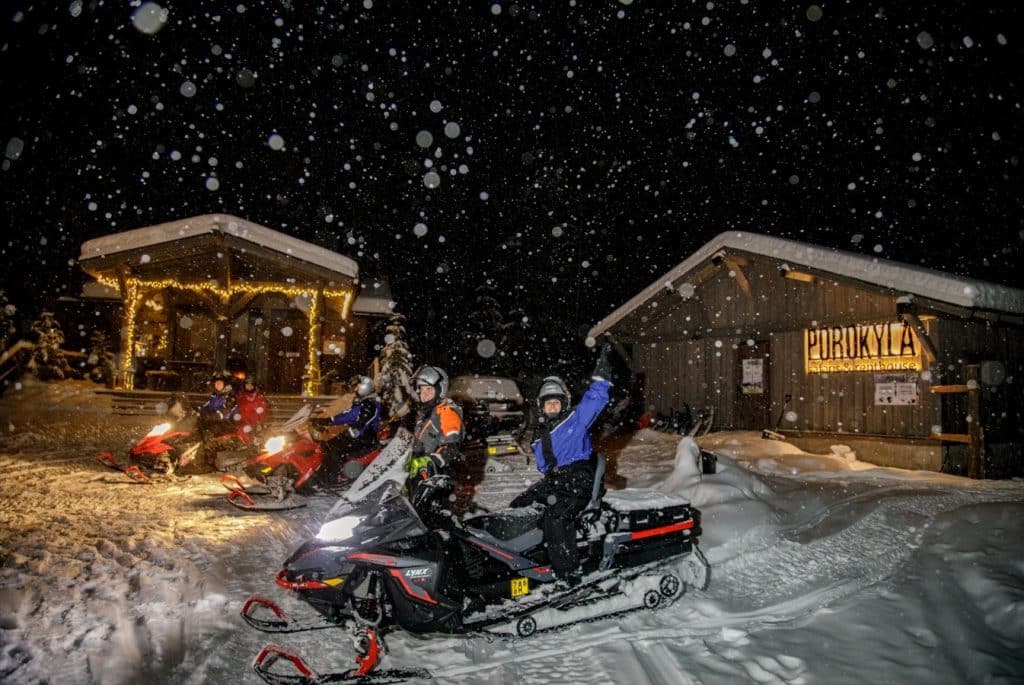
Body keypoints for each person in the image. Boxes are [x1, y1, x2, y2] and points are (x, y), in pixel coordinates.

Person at [510, 343, 613, 587]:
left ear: (564, 403)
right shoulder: (541, 433)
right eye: (548, 404)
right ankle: (533, 556)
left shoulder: (574, 421)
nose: (553, 407)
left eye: (556, 403)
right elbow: (545, 467)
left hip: (578, 479)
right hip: (556, 481)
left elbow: (595, 400)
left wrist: (602, 374)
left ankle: (568, 573)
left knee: (556, 517)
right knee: (519, 507)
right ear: (541, 407)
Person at [405, 364, 465, 512]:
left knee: (430, 520)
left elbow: (451, 448)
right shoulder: (427, 412)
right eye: (421, 389)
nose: (423, 394)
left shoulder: (447, 412)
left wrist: (431, 460)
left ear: (440, 390)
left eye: (429, 389)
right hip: (419, 475)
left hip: (437, 479)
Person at [315, 376, 385, 470]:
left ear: (365, 388)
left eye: (358, 387)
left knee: (333, 447)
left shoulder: (370, 405)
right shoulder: (365, 402)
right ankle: (336, 471)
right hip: (360, 436)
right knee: (329, 444)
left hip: (365, 439)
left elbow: (364, 421)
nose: (356, 390)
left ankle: (338, 474)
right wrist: (327, 421)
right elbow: (348, 415)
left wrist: (356, 430)